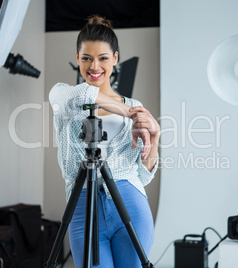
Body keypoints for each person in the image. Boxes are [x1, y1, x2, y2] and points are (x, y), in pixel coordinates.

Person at [49, 15, 160, 268]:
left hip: (130, 205)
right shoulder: (64, 97)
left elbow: (142, 176)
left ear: (116, 59)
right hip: (82, 208)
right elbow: (77, 95)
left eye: (103, 58)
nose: (94, 66)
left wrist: (155, 138)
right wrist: (124, 112)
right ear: (77, 58)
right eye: (86, 58)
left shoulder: (135, 107)